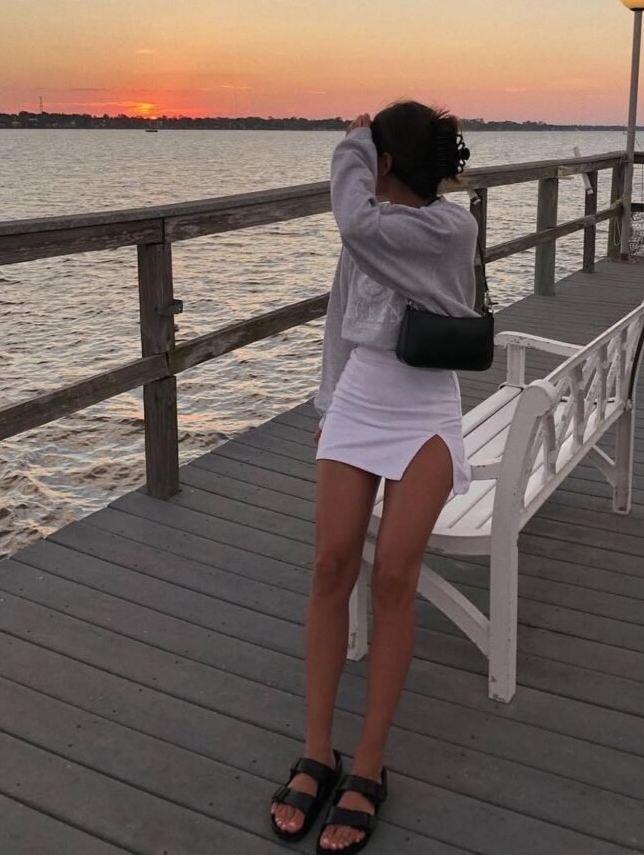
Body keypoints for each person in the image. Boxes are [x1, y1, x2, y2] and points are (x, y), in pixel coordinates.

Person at [270, 101, 479, 853]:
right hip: (360, 394)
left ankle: (368, 765)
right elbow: (340, 320)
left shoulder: (447, 227)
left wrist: (349, 143)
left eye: (371, 149)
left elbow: (357, 224)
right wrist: (329, 405)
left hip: (424, 403)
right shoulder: (367, 230)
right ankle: (316, 749)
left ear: (384, 160)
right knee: (329, 567)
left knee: (393, 575)